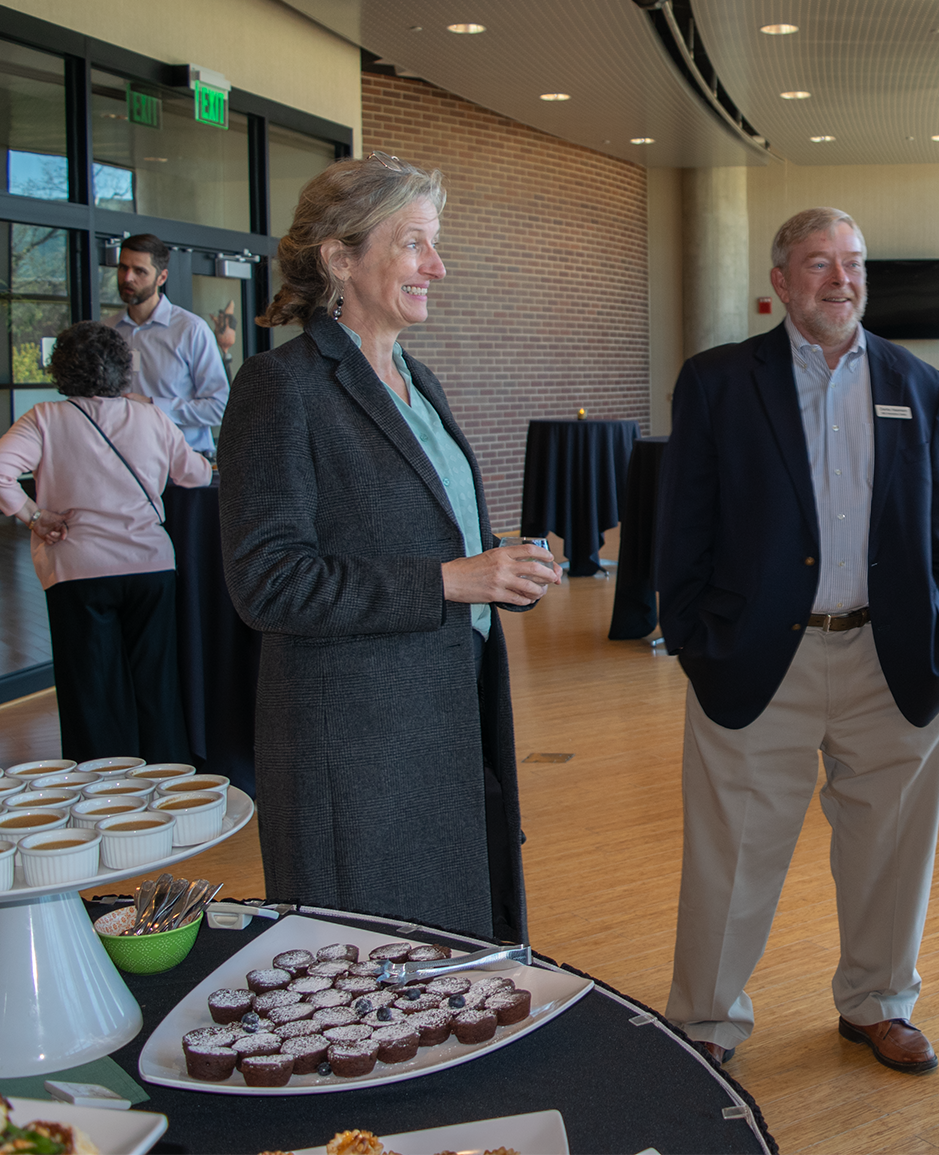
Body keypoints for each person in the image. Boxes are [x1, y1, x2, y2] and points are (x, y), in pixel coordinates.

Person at [657, 206, 939, 1072]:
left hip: (892, 657)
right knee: (734, 855)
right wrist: (694, 635)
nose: (842, 279)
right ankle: (709, 1021)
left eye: (855, 262)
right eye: (819, 262)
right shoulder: (719, 382)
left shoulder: (918, 383)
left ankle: (878, 1002)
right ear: (781, 281)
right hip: (760, 658)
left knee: (892, 850)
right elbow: (682, 526)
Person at [219, 153, 559, 942]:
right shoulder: (281, 388)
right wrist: (449, 580)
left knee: (453, 961)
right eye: (413, 244)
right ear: (339, 257)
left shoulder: (417, 379)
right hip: (357, 754)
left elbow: (423, 534)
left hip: (446, 718)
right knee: (369, 977)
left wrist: (500, 568)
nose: (435, 266)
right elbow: (268, 582)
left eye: (433, 245)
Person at [0, 322, 211, 765]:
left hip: (77, 571)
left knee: (91, 689)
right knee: (156, 685)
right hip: (150, 566)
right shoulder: (151, 416)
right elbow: (194, 474)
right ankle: (169, 784)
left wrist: (33, 515)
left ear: (61, 369)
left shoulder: (44, 419)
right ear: (123, 368)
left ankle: (102, 791)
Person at [106, 234, 231, 453]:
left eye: (139, 271)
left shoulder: (190, 330)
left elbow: (219, 408)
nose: (127, 278)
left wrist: (154, 406)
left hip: (182, 467)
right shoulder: (107, 331)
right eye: (123, 268)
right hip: (124, 464)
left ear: (162, 278)